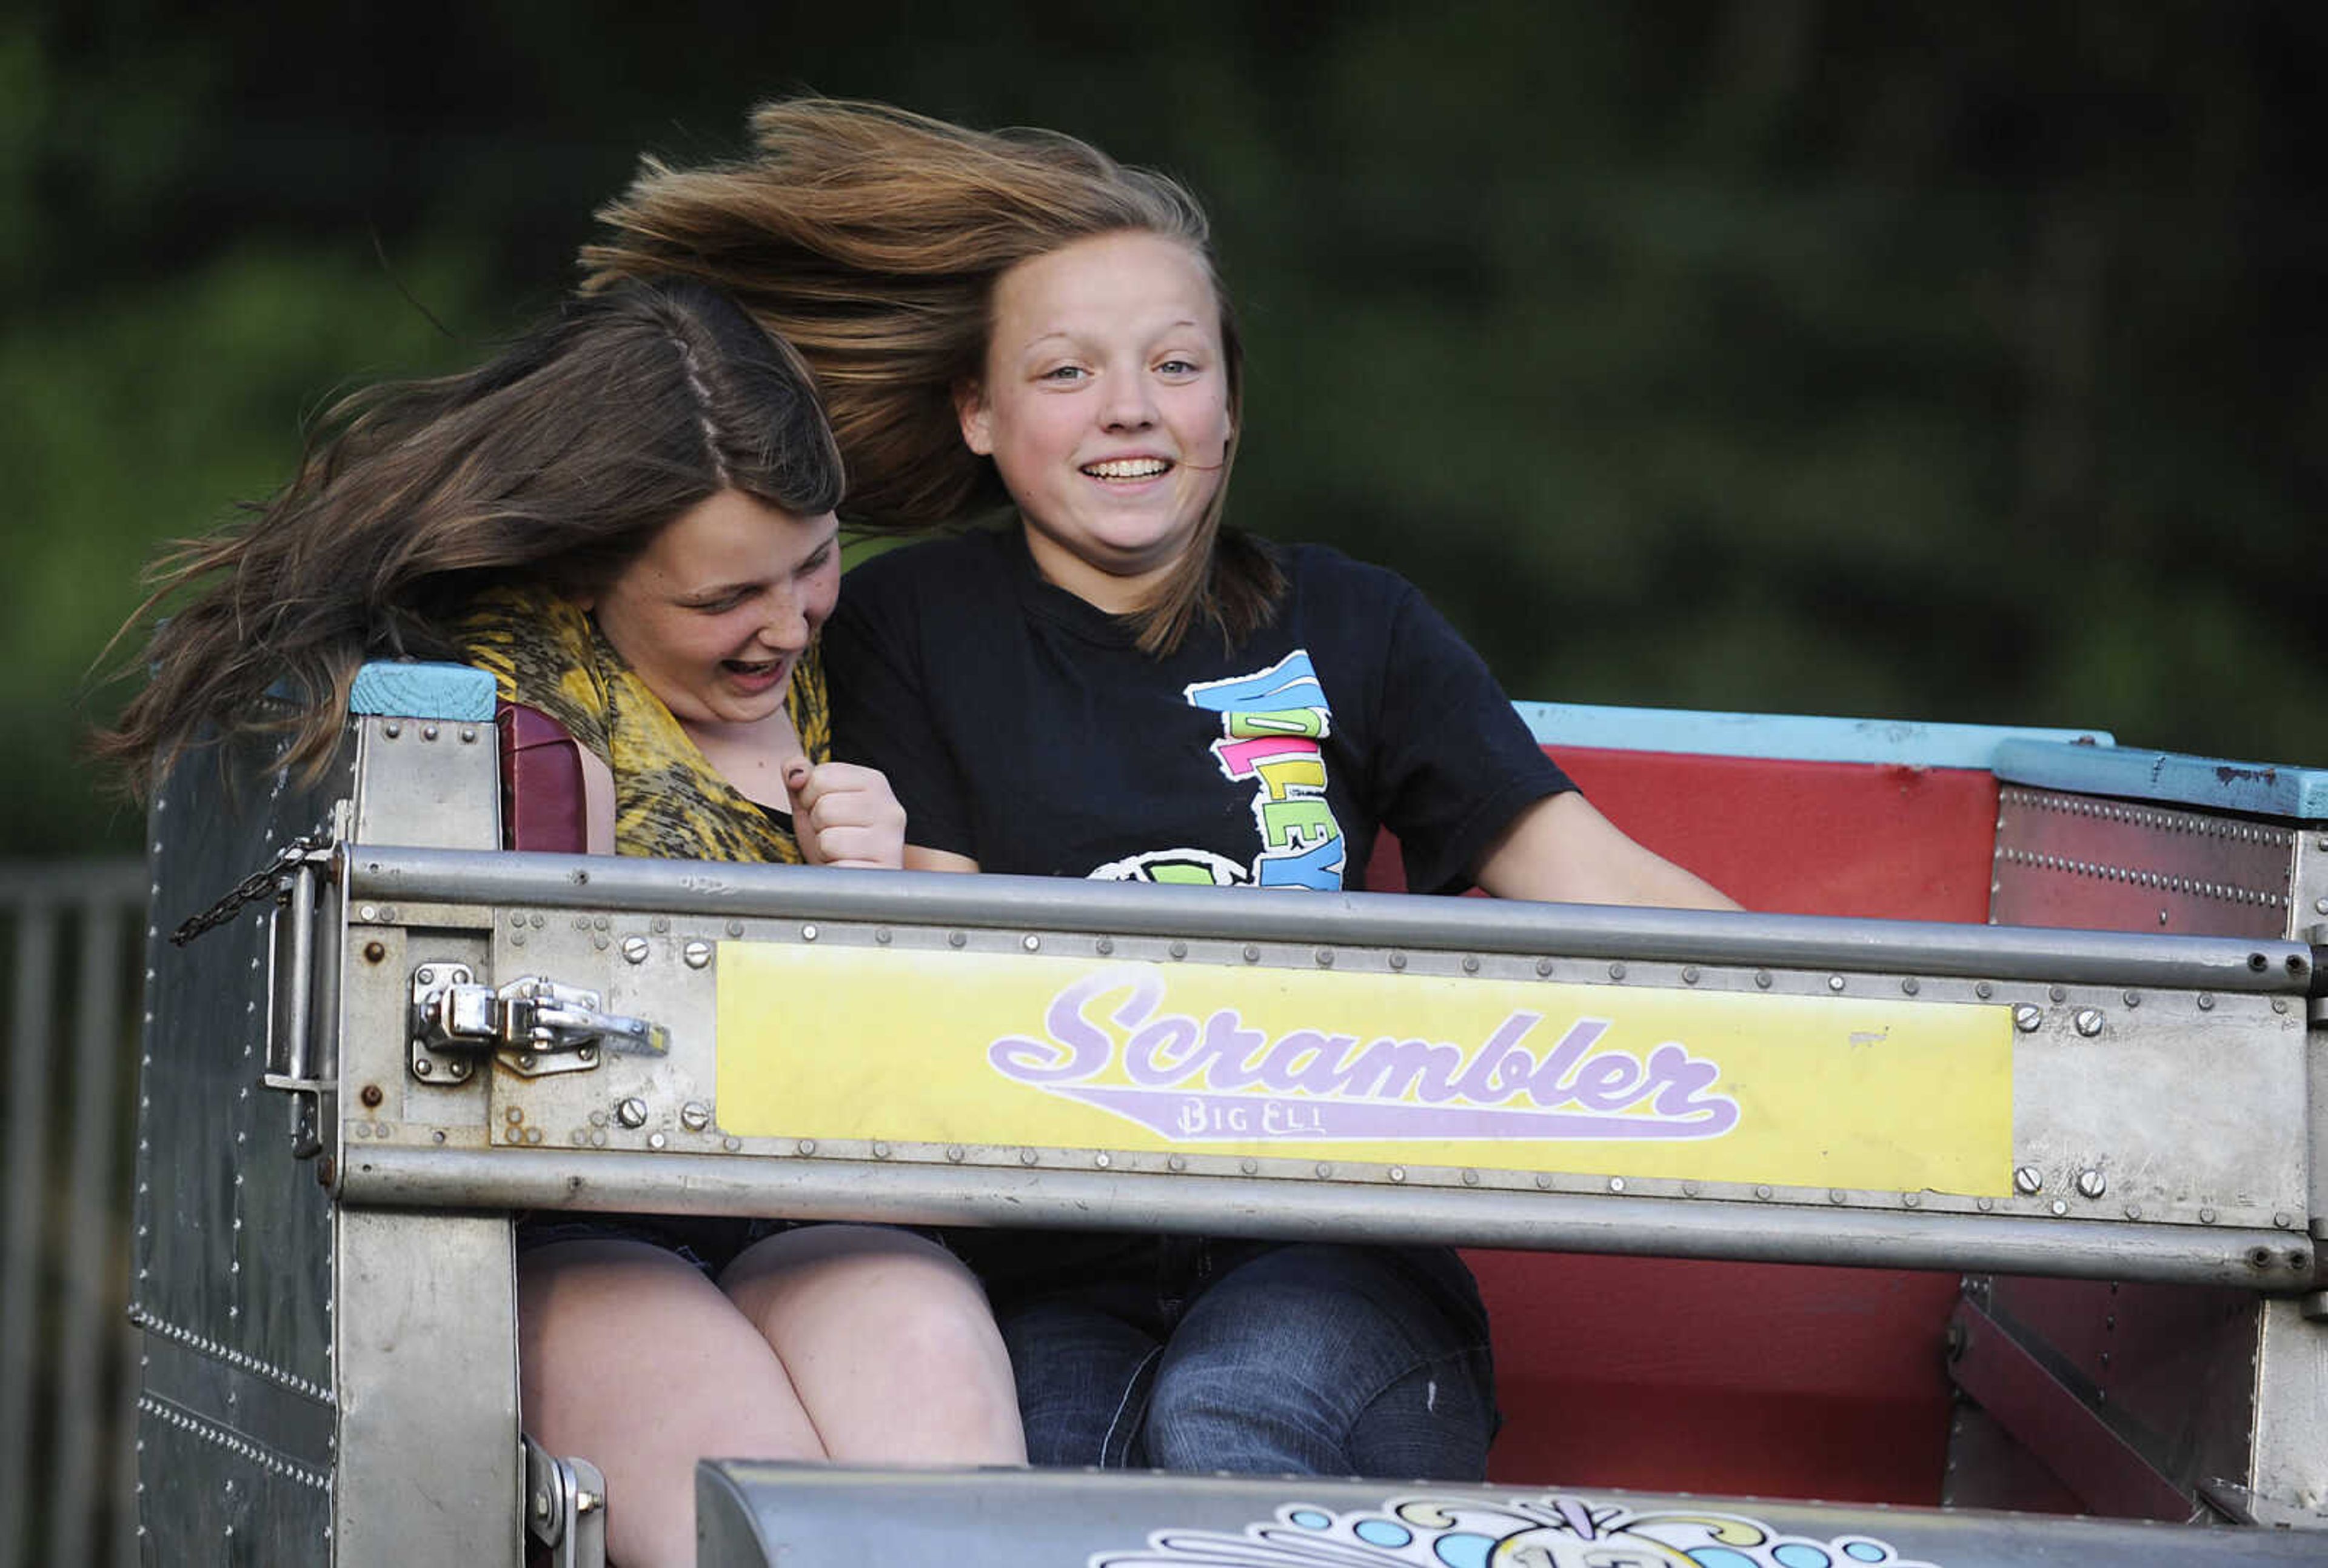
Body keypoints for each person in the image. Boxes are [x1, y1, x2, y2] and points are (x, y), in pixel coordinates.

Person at [580, 99, 1738, 1481]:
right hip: (1050, 1250)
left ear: (1229, 409)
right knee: (1063, 1463)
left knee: (1229, 1414)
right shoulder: (903, 629)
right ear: (980, 416)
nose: (1129, 405)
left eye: (1175, 364)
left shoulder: (1356, 625)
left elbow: (1598, 883)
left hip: (1327, 1245)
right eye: (1067, 372)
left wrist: (1869, 1022)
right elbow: (914, 941)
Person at [95, 278, 1025, 1568]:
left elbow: (973, 982)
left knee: (947, 1475)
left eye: (812, 564)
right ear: (591, 560)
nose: (785, 623)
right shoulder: (496, 700)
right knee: (770, 1528)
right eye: (723, 603)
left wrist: (899, 868)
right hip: (595, 1219)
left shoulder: (856, 664)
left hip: (816, 1192)